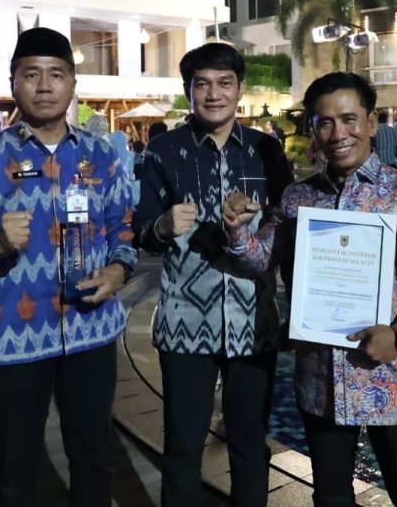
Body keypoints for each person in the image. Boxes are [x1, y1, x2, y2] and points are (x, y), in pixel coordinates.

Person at [222, 72, 397, 507]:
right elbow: (258, 260)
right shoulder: (298, 199)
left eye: (349, 119)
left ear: (372, 122)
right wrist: (237, 229)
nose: (338, 133)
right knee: (330, 496)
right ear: (313, 129)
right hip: (320, 378)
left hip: (391, 374)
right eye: (325, 122)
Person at [0, 27, 136, 507]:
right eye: (32, 75)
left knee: (94, 458)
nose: (45, 86)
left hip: (91, 333)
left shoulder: (100, 155)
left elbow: (123, 228)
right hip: (15, 338)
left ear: (72, 83)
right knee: (14, 468)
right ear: (13, 82)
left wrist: (118, 271)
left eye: (56, 74)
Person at [132, 43, 292, 507]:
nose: (213, 94)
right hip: (185, 323)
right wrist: (161, 227)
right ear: (189, 90)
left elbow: (288, 224)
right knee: (183, 445)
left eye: (225, 83)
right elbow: (140, 229)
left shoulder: (266, 150)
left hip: (253, 323)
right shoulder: (162, 151)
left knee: (249, 442)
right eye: (201, 84)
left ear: (240, 89)